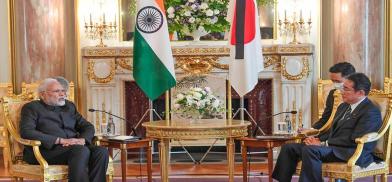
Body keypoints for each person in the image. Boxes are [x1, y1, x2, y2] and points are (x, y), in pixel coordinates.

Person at [272, 73, 382, 182]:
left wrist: (323, 144)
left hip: (352, 151)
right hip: (333, 148)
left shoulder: (370, 111)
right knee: (289, 148)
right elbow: (331, 130)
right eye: (342, 88)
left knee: (311, 150)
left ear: (360, 93)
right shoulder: (344, 106)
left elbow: (355, 139)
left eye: (346, 89)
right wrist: (317, 139)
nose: (341, 92)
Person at [20, 78, 108, 182]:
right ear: (43, 95)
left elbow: (87, 126)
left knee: (101, 151)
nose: (62, 94)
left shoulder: (69, 106)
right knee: (80, 150)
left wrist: (83, 140)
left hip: (73, 148)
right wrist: (60, 140)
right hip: (46, 151)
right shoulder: (31, 108)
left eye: (63, 91)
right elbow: (27, 131)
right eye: (57, 91)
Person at [312, 62, 356, 129]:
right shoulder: (333, 94)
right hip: (330, 133)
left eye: (338, 81)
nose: (335, 84)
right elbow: (325, 119)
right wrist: (311, 130)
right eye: (333, 81)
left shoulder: (359, 97)